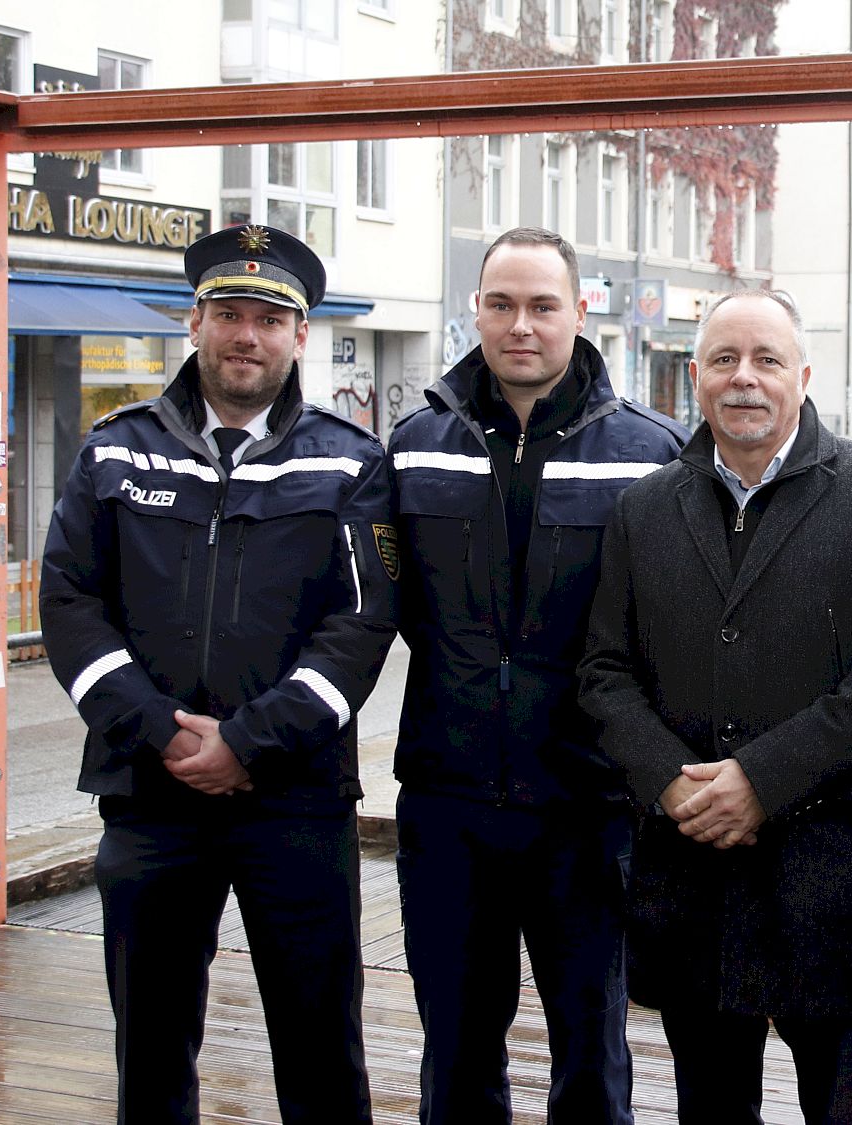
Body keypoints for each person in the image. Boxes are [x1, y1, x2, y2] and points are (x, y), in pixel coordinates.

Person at [41, 223, 397, 1124]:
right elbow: (70, 604)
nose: (248, 335)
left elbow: (360, 626)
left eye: (270, 319)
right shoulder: (114, 451)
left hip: (296, 798)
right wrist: (158, 730)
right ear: (195, 321)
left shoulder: (349, 462)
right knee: (151, 1050)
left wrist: (248, 741)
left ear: (300, 335)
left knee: (321, 1047)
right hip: (150, 794)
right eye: (230, 314)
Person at [579, 288, 852, 1124]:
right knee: (709, 1109)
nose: (744, 379)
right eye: (723, 360)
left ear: (803, 374)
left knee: (849, 1110)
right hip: (691, 870)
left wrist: (763, 778)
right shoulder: (643, 508)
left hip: (833, 871)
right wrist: (671, 781)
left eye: (767, 360)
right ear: (696, 376)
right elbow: (604, 671)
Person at [388, 226, 686, 1124]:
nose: (522, 325)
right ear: (474, 311)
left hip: (587, 808)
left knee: (591, 1049)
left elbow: (668, 632)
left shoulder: (653, 454)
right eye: (501, 304)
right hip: (449, 799)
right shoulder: (413, 447)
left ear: (579, 313)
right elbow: (387, 605)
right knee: (457, 1044)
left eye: (543, 305)